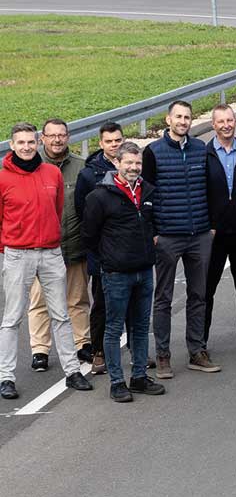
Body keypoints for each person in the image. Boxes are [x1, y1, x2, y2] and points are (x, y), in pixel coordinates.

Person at [0, 122, 92, 400]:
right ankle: (6, 376)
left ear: (38, 142)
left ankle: (72, 371)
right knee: (12, 318)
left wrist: (50, 240)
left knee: (62, 315)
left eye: (31, 142)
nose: (27, 147)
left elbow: (57, 208)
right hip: (18, 253)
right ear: (12, 145)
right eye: (21, 143)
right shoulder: (3, 178)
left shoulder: (51, 173)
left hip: (52, 253)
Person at [81, 141, 164, 401]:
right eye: (128, 162)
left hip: (144, 271)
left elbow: (153, 225)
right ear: (116, 163)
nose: (133, 167)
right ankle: (117, 381)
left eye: (137, 163)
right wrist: (109, 258)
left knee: (140, 327)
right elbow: (89, 236)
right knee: (114, 329)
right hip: (116, 274)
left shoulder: (147, 191)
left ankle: (139, 376)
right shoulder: (99, 196)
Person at [142, 100, 215, 378]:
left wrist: (212, 228)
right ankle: (163, 356)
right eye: (179, 117)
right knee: (163, 298)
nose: (183, 121)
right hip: (168, 236)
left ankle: (197, 351)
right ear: (168, 119)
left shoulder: (200, 149)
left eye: (187, 117)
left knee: (199, 295)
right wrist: (154, 233)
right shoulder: (153, 152)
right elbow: (146, 196)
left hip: (199, 234)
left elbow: (211, 188)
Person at [26, 118, 92, 373]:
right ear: (42, 138)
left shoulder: (81, 167)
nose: (57, 140)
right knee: (40, 302)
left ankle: (81, 343)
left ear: (68, 137)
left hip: (75, 245)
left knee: (77, 299)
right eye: (52, 136)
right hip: (41, 248)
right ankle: (40, 350)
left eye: (62, 135)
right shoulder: (33, 167)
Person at [204, 104, 236, 354]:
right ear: (213, 125)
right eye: (221, 121)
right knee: (206, 288)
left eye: (230, 120)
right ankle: (200, 339)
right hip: (213, 235)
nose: (226, 125)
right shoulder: (203, 155)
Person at [74, 121, 125, 375]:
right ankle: (98, 352)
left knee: (132, 302)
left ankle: (137, 351)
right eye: (109, 141)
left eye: (118, 140)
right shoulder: (88, 174)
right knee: (102, 303)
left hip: (129, 249)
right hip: (102, 252)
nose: (114, 145)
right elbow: (83, 214)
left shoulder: (133, 165)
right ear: (100, 143)